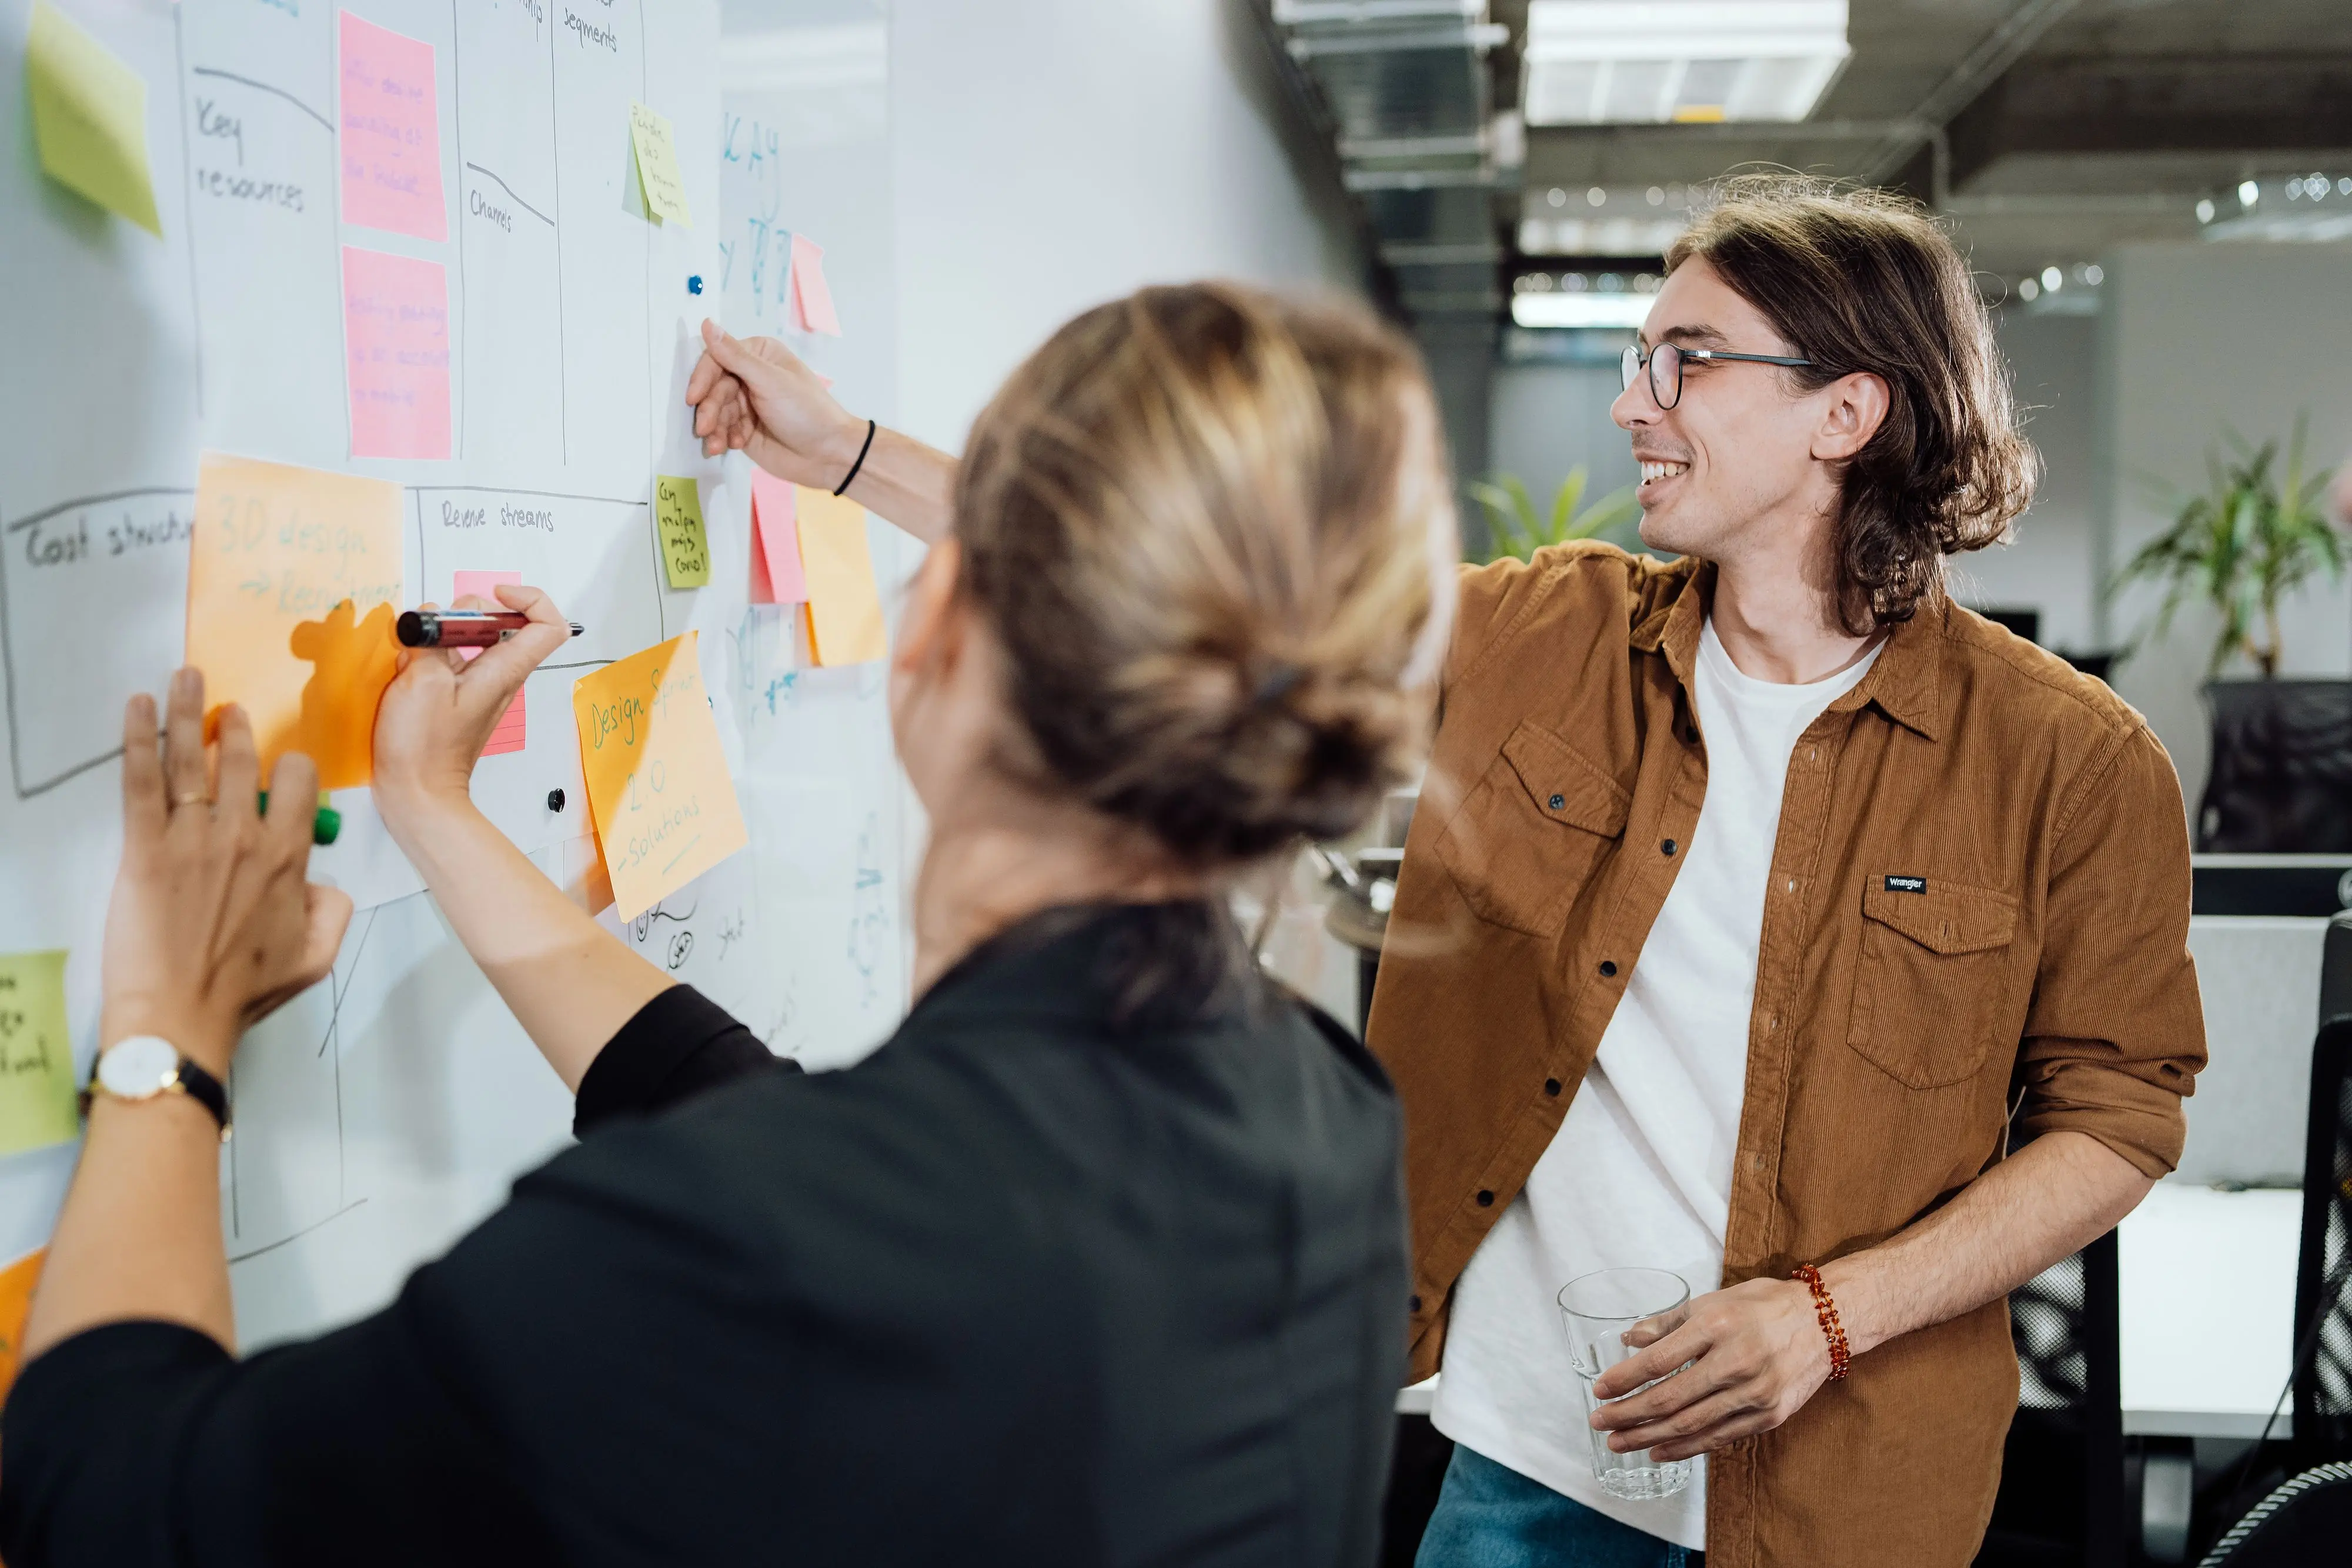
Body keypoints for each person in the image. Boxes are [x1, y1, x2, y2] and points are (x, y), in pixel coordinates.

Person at [0, 283, 1458, 1566]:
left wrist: (167, 1030)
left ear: (936, 621)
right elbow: (760, 1124)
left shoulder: (754, 1258)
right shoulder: (1318, 1111)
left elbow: (104, 1505)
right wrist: (434, 809)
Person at [1375, 177, 2207, 1566]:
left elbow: (2117, 1121)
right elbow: (1217, 616)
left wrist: (1826, 1315)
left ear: (1844, 412)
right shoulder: (1543, 639)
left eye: (1684, 361)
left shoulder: (2070, 761)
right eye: (1640, 360)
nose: (1631, 404)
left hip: (1850, 1492)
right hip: (1531, 1467)